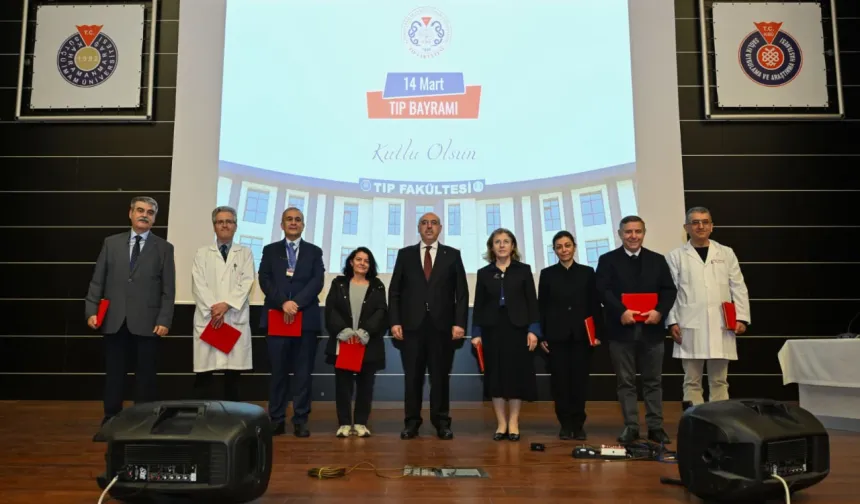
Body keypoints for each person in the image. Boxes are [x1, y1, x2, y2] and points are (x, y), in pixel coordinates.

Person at [85, 196, 175, 441]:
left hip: (148, 322)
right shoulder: (111, 243)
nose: (144, 215)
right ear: (130, 213)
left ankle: (145, 423)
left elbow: (169, 289)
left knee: (146, 376)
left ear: (155, 218)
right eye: (140, 210)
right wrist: (91, 311)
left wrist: (165, 319)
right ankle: (111, 420)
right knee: (114, 374)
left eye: (150, 212)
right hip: (114, 320)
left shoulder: (164, 248)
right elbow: (97, 280)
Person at [596, 215, 677, 445]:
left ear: (644, 233)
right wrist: (621, 311)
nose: (633, 236)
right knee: (626, 382)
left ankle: (655, 427)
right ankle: (631, 427)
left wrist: (660, 312)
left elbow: (669, 290)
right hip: (621, 331)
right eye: (628, 231)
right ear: (620, 234)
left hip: (652, 331)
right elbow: (603, 290)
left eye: (638, 231)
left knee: (653, 381)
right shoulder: (607, 260)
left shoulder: (658, 260)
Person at [389, 212, 468, 440]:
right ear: (418, 228)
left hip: (442, 327)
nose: (429, 227)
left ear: (440, 228)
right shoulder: (405, 255)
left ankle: (442, 422)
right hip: (411, 327)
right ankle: (411, 422)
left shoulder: (452, 255)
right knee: (412, 377)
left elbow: (461, 294)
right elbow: (394, 291)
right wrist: (394, 321)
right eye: (424, 223)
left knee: (440, 377)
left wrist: (459, 323)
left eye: (433, 223)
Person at [666, 207, 750, 410]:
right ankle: (694, 421)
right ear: (686, 227)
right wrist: (672, 321)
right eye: (694, 222)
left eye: (705, 221)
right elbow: (670, 291)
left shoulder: (726, 253)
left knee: (720, 380)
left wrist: (741, 318)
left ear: (712, 226)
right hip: (689, 325)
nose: (700, 226)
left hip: (723, 325)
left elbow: (738, 286)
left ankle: (720, 421)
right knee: (692, 380)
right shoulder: (676, 256)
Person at [258, 207, 325, 437]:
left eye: (298, 220)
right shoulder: (270, 250)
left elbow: (317, 282)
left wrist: (295, 303)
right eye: (289, 219)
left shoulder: (314, 252)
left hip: (305, 319)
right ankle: (276, 418)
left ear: (303, 225)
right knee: (278, 372)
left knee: (303, 372)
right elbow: (264, 279)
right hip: (277, 317)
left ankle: (300, 419)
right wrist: (282, 303)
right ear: (282, 224)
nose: (294, 223)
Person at [471, 229, 539, 442]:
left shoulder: (524, 270)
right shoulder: (483, 273)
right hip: (492, 330)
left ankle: (514, 422)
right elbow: (479, 306)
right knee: (496, 377)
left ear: (513, 246)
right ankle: (501, 423)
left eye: (506, 241)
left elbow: (532, 303)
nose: (501, 245)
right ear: (491, 247)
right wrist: (476, 333)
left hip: (518, 329)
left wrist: (533, 330)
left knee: (516, 375)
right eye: (497, 242)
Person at [538, 230, 605, 441]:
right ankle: (565, 424)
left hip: (581, 337)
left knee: (579, 382)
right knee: (560, 383)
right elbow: (542, 307)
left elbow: (595, 305)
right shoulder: (547, 274)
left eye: (567, 245)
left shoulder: (587, 272)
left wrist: (597, 334)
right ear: (554, 250)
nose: (563, 250)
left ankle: (578, 424)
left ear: (574, 247)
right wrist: (542, 336)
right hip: (556, 338)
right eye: (559, 247)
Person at [190, 206, 256, 401]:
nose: (225, 225)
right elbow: (198, 283)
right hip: (209, 318)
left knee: (233, 376)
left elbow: (247, 281)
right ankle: (203, 420)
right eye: (220, 222)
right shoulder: (202, 253)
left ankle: (231, 420)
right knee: (204, 375)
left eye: (229, 221)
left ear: (235, 226)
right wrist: (215, 308)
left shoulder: (245, 253)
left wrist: (226, 305)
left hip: (234, 318)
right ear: (214, 226)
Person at [324, 247, 388, 438]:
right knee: (343, 386)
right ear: (351, 262)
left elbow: (381, 311)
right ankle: (344, 423)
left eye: (366, 261)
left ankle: (360, 423)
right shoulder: (339, 283)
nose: (362, 263)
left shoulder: (377, 285)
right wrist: (344, 331)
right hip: (344, 342)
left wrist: (364, 332)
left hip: (366, 343)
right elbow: (331, 309)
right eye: (358, 259)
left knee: (365, 386)